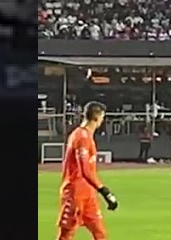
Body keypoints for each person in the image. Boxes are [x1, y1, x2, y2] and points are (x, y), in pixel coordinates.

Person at [57, 102, 120, 240]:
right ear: (97, 117)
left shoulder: (86, 136)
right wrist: (105, 192)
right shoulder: (81, 137)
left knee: (100, 234)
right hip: (74, 194)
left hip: (88, 195)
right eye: (102, 117)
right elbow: (84, 169)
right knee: (66, 235)